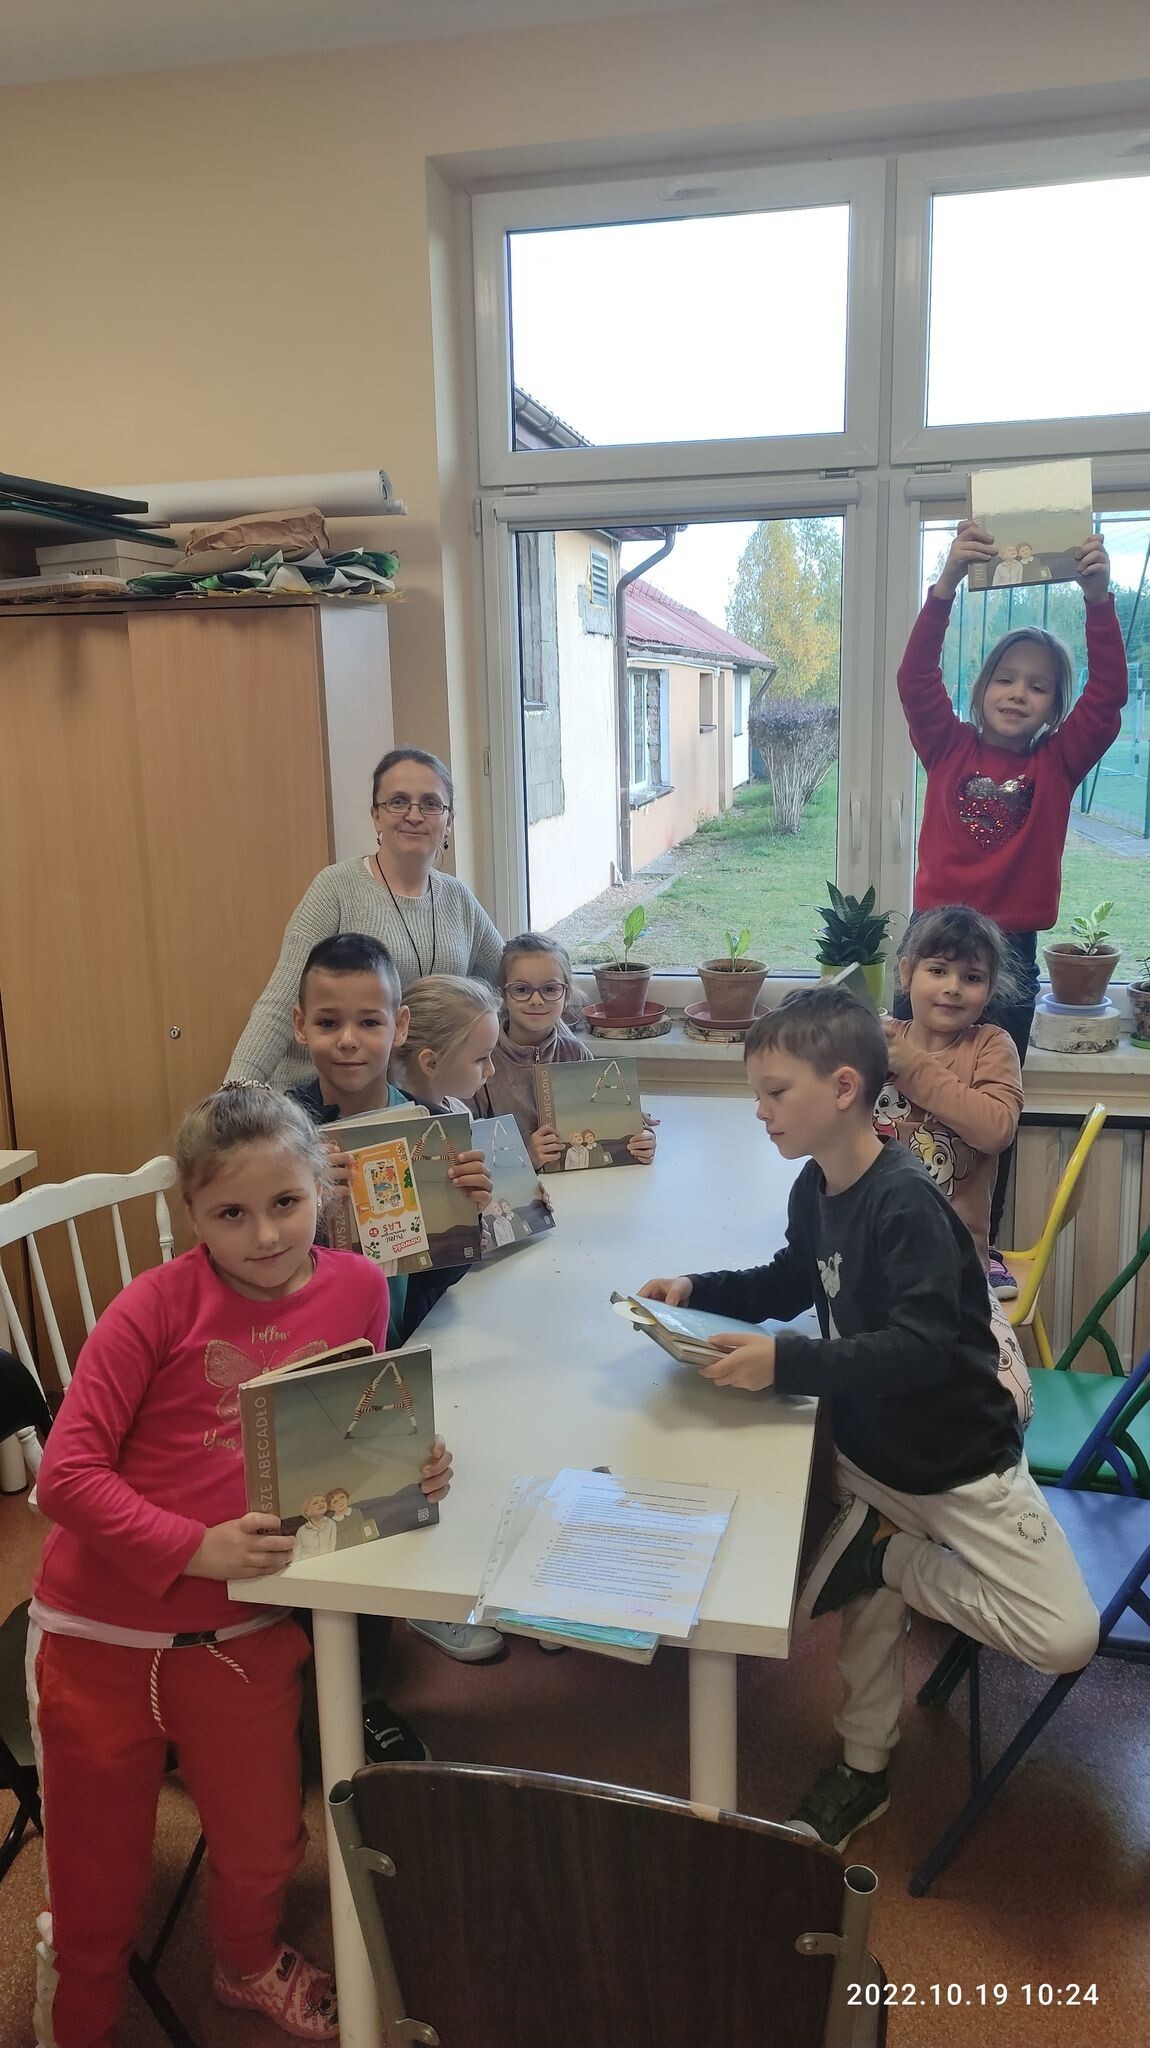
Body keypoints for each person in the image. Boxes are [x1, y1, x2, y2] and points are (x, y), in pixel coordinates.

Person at [29, 1084, 452, 2048]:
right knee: (96, 1878)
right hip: (99, 1636)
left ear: (321, 1193)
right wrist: (194, 1545)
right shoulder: (151, 1306)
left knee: (265, 1841)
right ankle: (79, 2002)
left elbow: (352, 1423)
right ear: (191, 1213)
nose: (263, 1235)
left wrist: (410, 1462)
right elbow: (64, 1479)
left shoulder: (358, 1285)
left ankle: (247, 1961)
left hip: (246, 1627)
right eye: (230, 1213)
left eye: (286, 1204)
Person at [637, 987, 1097, 1854]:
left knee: (1065, 1636)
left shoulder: (906, 1204)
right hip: (869, 1452)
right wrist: (696, 1288)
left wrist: (787, 1363)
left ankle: (883, 1558)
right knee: (863, 1635)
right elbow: (791, 1278)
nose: (761, 1111)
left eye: (776, 1093)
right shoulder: (817, 1186)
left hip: (956, 1463)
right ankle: (862, 1765)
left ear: (844, 1087)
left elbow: (921, 1350)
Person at [896, 522, 1126, 1296]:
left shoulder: (1059, 762)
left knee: (988, 1106)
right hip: (932, 941)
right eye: (1006, 678)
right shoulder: (947, 745)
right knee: (902, 1090)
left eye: (1038, 685)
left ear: (1053, 706)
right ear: (982, 688)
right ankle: (888, 1225)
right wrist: (945, 586)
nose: (1019, 692)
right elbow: (914, 677)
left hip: (1010, 955)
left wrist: (1098, 599)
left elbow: (1109, 697)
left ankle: (974, 1244)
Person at [288, 935, 501, 1670]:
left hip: (400, 1341)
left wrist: (465, 1220)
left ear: (399, 1027)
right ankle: (350, 1672)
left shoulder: (427, 1125)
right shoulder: (280, 1132)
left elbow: (433, 1277)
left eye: (369, 1021)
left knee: (434, 1461)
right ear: (300, 1026)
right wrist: (304, 1197)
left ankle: (423, 1597)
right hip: (306, 1361)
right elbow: (249, 1260)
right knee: (328, 1520)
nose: (348, 1041)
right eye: (328, 1022)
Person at [227, 746, 504, 1089]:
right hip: (322, 1098)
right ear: (376, 816)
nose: (414, 815)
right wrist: (234, 1093)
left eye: (430, 804)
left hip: (412, 1100)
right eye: (398, 802)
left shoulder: (458, 899)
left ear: (448, 822)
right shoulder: (335, 888)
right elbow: (279, 1004)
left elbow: (514, 981)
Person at [880, 905, 1023, 1275]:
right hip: (873, 1254)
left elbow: (996, 1130)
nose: (953, 988)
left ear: (989, 990)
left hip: (954, 1266)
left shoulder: (992, 1045)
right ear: (906, 973)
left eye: (972, 977)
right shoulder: (880, 1040)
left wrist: (912, 1067)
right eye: (938, 970)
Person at [471, 933, 657, 1170]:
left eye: (550, 989)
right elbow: (468, 1147)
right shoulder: (482, 1061)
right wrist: (528, 1157)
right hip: (516, 1189)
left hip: (578, 1184)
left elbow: (605, 1125)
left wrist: (642, 1141)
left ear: (567, 995)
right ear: (503, 996)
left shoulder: (576, 1054)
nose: (536, 1000)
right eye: (521, 989)